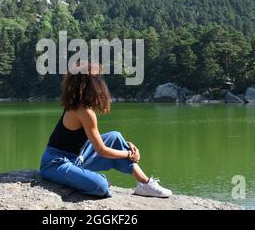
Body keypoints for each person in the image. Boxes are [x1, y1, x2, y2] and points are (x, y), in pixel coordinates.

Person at [39, 63, 172, 198]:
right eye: (98, 78)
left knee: (115, 137)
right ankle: (88, 178)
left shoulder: (80, 105)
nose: (101, 82)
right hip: (55, 163)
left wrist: (126, 145)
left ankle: (145, 184)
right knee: (100, 186)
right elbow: (101, 150)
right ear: (91, 84)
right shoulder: (83, 111)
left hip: (77, 157)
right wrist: (127, 154)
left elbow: (96, 142)